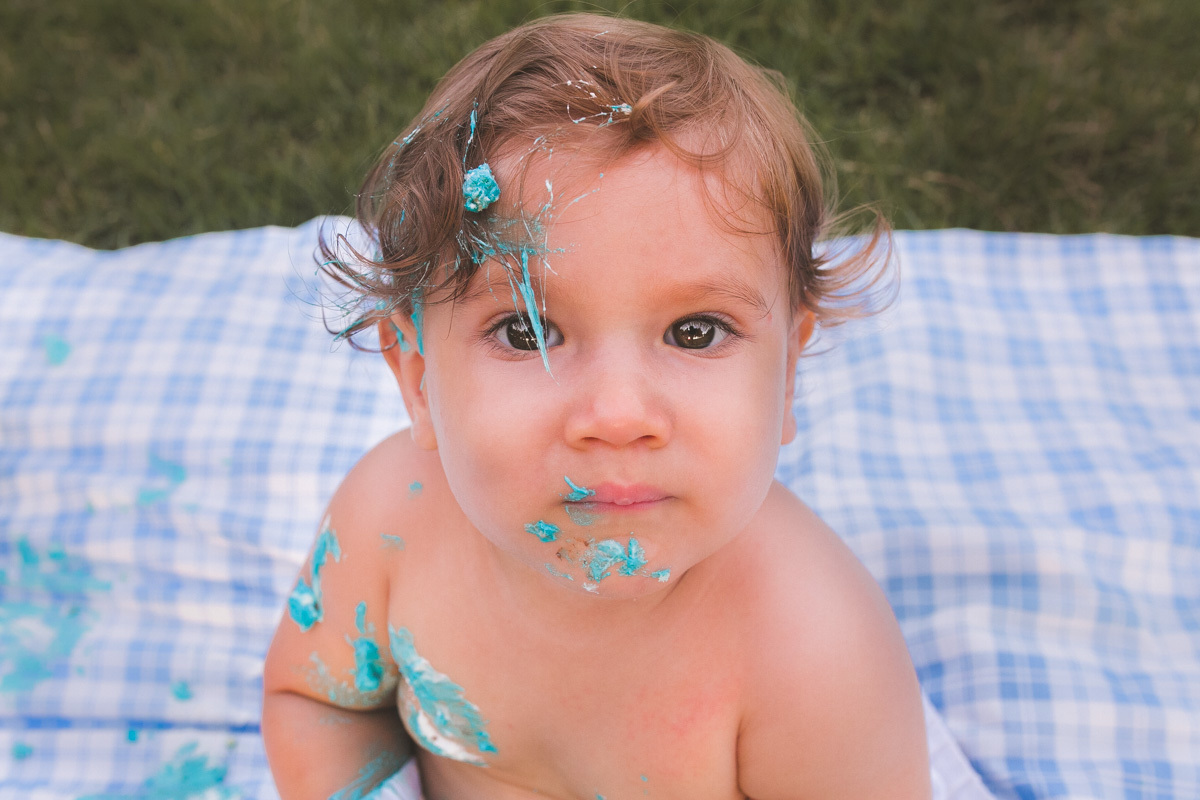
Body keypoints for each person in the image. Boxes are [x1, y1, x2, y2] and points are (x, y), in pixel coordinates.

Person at [262, 12, 929, 800]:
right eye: (526, 330)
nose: (616, 415)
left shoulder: (813, 653)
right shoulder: (388, 526)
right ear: (416, 379)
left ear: (786, 374)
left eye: (694, 330)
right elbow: (316, 705)